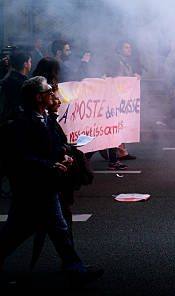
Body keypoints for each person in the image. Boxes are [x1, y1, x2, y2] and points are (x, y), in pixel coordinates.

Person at [0, 76, 103, 283]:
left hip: (46, 187)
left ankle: (75, 268)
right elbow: (19, 159)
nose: (52, 94)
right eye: (48, 91)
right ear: (38, 97)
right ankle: (76, 269)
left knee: (57, 228)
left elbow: (53, 146)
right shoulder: (23, 123)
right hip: (31, 189)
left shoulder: (45, 119)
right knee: (16, 234)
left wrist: (62, 156)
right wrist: (50, 165)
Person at [0, 51, 31, 123]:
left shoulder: (8, 78)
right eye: (29, 61)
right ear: (25, 64)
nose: (30, 64)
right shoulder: (23, 83)